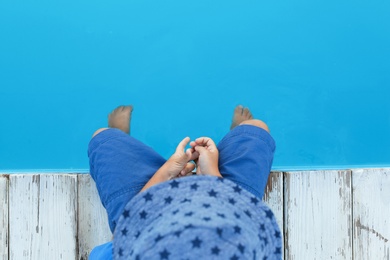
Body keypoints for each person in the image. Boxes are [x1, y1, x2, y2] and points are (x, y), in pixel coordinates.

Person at [88, 105, 282, 260]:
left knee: (104, 138)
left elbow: (125, 232)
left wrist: (164, 176)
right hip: (228, 210)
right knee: (256, 128)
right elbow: (245, 222)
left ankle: (119, 136)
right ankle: (236, 135)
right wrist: (211, 177)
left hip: (146, 216)